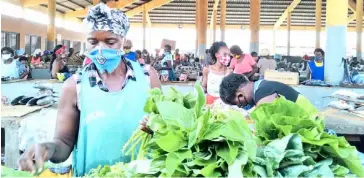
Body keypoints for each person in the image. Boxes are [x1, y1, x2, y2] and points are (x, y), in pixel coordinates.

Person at [18, 2, 161, 176]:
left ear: (123, 41)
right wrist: (47, 149)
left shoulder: (147, 77)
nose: (100, 49)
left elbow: (165, 127)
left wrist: (157, 127)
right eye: (93, 42)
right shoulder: (74, 86)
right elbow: (63, 143)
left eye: (110, 41)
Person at [219, 73, 317, 113]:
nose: (242, 106)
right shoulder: (262, 85)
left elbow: (268, 125)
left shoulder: (262, 95)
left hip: (311, 125)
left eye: (238, 104)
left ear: (240, 95)